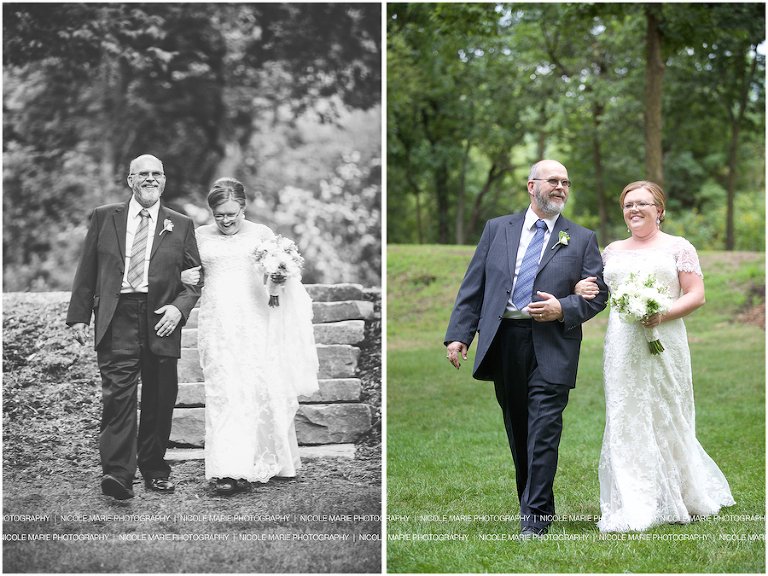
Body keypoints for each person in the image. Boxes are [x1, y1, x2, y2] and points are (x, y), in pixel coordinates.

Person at [444, 160, 608, 538]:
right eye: (553, 181)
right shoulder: (497, 229)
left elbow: (598, 295)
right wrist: (459, 335)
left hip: (553, 344)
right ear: (531, 185)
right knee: (519, 428)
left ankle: (534, 519)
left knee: (544, 429)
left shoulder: (581, 238)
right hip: (504, 342)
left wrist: (562, 308)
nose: (561, 187)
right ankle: (535, 504)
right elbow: (474, 286)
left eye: (566, 182)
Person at [574, 181, 735, 532]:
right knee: (626, 412)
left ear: (659, 210)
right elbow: (598, 292)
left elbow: (696, 294)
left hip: (667, 339)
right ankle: (635, 498)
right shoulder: (612, 250)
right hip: (622, 346)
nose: (634, 209)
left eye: (643, 203)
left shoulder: (679, 247)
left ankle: (682, 491)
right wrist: (580, 288)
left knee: (669, 411)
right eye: (628, 204)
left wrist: (662, 315)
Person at [67, 154, 202, 500]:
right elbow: (88, 268)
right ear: (130, 180)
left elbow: (195, 279)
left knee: (161, 396)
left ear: (164, 180)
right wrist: (80, 315)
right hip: (117, 314)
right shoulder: (104, 217)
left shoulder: (181, 224)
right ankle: (117, 474)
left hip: (161, 318)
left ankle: (155, 469)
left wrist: (179, 307)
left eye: (156, 173)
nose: (150, 179)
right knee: (118, 396)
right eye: (143, 174)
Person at [181, 177, 319, 495]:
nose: (227, 220)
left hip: (256, 321)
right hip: (216, 324)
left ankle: (263, 461)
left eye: (232, 213)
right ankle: (226, 469)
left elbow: (279, 279)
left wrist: (278, 276)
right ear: (211, 212)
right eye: (220, 215)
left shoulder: (262, 235)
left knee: (256, 389)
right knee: (223, 391)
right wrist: (182, 275)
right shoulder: (199, 236)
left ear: (243, 207)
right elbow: (186, 276)